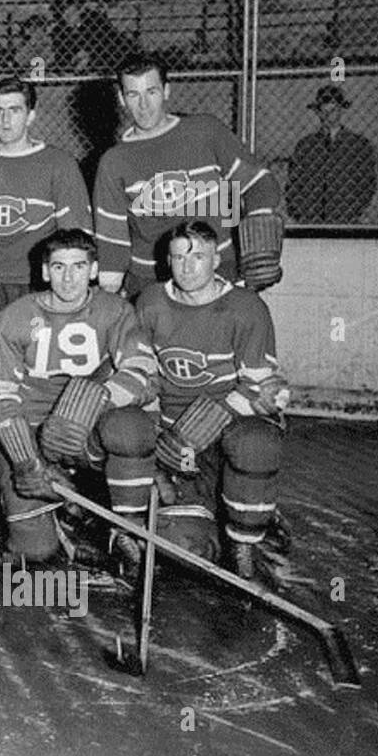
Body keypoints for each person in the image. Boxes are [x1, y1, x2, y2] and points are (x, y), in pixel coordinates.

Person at [0, 229, 158, 564]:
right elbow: (2, 400)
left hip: (87, 431)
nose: (68, 278)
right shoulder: (13, 317)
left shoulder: (115, 310)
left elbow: (143, 373)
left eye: (79, 266)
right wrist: (25, 460)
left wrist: (92, 404)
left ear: (94, 270)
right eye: (59, 267)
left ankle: (124, 525)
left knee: (130, 427)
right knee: (35, 551)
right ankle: (66, 506)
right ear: (44, 271)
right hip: (32, 433)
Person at [135, 221, 288, 579]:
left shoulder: (246, 307)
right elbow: (138, 374)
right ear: (167, 261)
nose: (187, 267)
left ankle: (244, 540)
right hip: (179, 445)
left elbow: (258, 389)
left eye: (198, 257)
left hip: (231, 428)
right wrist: (155, 446)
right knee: (185, 551)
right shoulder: (151, 301)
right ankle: (210, 506)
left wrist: (202, 425)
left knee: (257, 442)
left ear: (216, 260)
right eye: (178, 258)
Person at [92, 52, 283, 297]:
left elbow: (259, 183)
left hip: (217, 269)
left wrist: (255, 219)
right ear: (121, 98)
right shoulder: (113, 161)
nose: (144, 105)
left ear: (167, 90)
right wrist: (109, 293)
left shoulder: (205, 132)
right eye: (133, 94)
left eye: (152, 92)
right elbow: (112, 240)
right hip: (152, 281)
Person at [0, 76, 92, 344]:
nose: (5, 120)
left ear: (30, 116)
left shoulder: (59, 164)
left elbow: (76, 236)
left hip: (37, 283)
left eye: (15, 111)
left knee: (35, 360)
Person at [285, 86, 376, 224]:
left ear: (340, 111)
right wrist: (300, 212)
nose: (328, 116)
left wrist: (354, 211)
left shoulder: (358, 144)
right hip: (311, 219)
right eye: (323, 111)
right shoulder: (306, 145)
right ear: (318, 113)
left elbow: (368, 182)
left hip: (346, 217)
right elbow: (293, 182)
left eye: (333, 110)